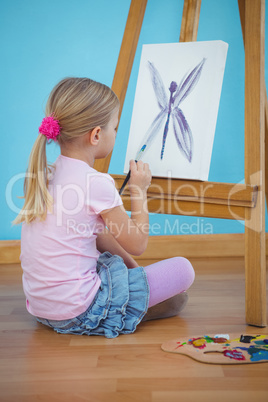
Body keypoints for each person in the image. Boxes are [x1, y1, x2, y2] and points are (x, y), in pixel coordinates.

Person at [14, 77, 195, 338]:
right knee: (183, 270)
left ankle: (136, 297)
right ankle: (126, 309)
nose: (116, 133)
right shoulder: (95, 182)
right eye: (115, 128)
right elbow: (138, 244)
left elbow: (98, 235)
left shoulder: (48, 175)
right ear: (97, 135)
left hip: (42, 309)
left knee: (100, 252)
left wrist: (138, 274)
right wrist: (138, 191)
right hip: (79, 312)